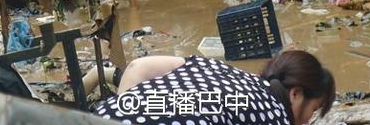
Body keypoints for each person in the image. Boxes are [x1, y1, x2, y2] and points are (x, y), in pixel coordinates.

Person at [95, 50, 335, 125]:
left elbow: (137, 67)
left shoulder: (218, 70)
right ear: (295, 94)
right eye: (313, 111)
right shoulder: (275, 119)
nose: (307, 121)